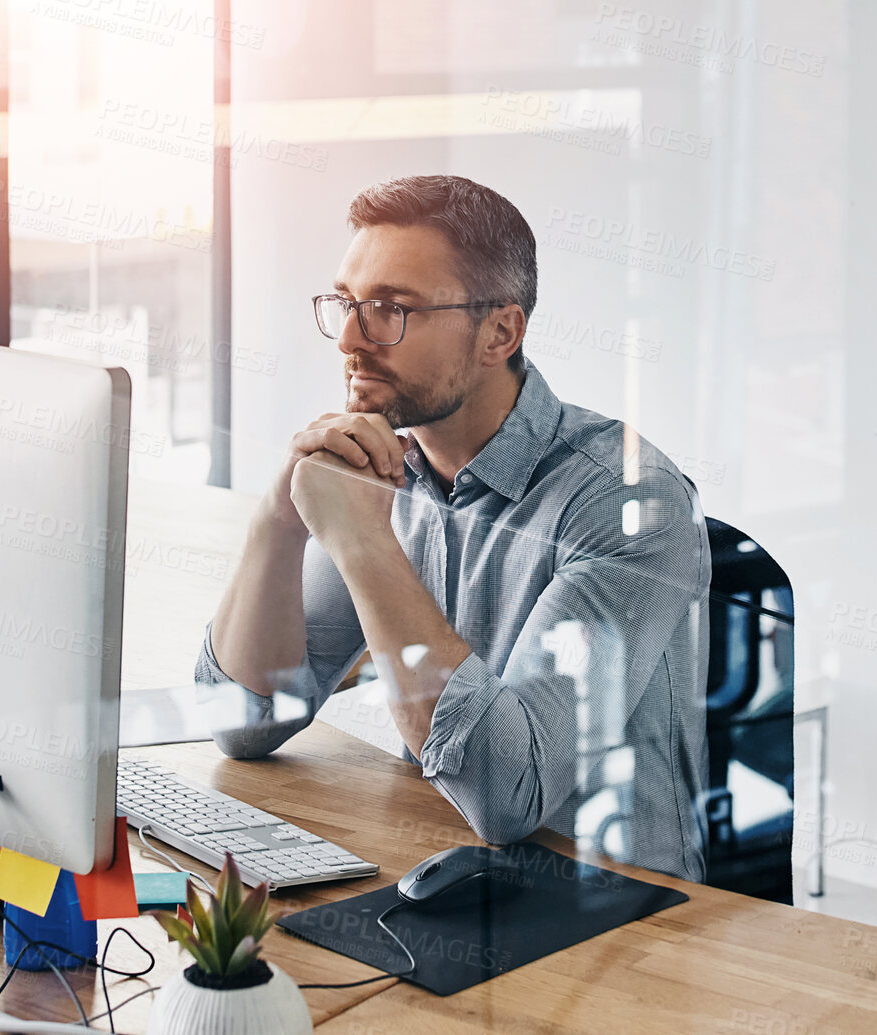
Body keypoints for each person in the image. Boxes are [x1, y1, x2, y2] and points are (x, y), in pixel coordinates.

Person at [196, 175, 710, 880]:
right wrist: (280, 520)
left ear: (499, 331)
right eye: (345, 304)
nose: (349, 338)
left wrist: (362, 541)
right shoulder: (380, 468)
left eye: (390, 309)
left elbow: (508, 795)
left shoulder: (628, 504)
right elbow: (244, 722)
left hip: (610, 916)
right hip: (442, 871)